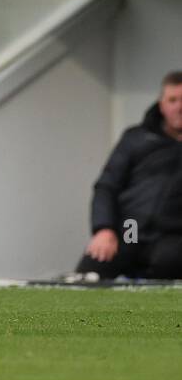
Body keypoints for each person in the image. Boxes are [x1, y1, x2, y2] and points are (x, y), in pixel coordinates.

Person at [74, 71, 182, 281]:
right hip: (130, 230)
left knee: (168, 264)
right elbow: (107, 186)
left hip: (172, 237)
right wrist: (104, 229)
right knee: (92, 271)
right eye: (173, 100)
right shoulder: (135, 138)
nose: (179, 107)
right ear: (161, 105)